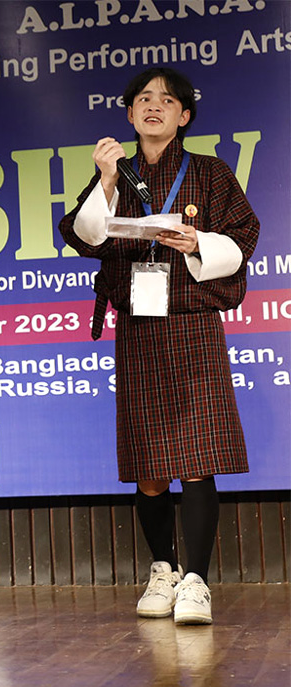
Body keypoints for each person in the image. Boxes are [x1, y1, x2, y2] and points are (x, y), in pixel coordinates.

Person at [58, 67, 259, 625]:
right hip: (140, 327)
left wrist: (197, 241)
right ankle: (163, 569)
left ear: (183, 116)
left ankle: (196, 581)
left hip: (192, 324)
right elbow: (83, 235)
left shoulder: (210, 172)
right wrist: (104, 180)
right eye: (144, 99)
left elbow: (244, 237)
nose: (154, 106)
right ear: (129, 114)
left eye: (167, 100)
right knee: (148, 461)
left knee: (197, 456)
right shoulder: (115, 172)